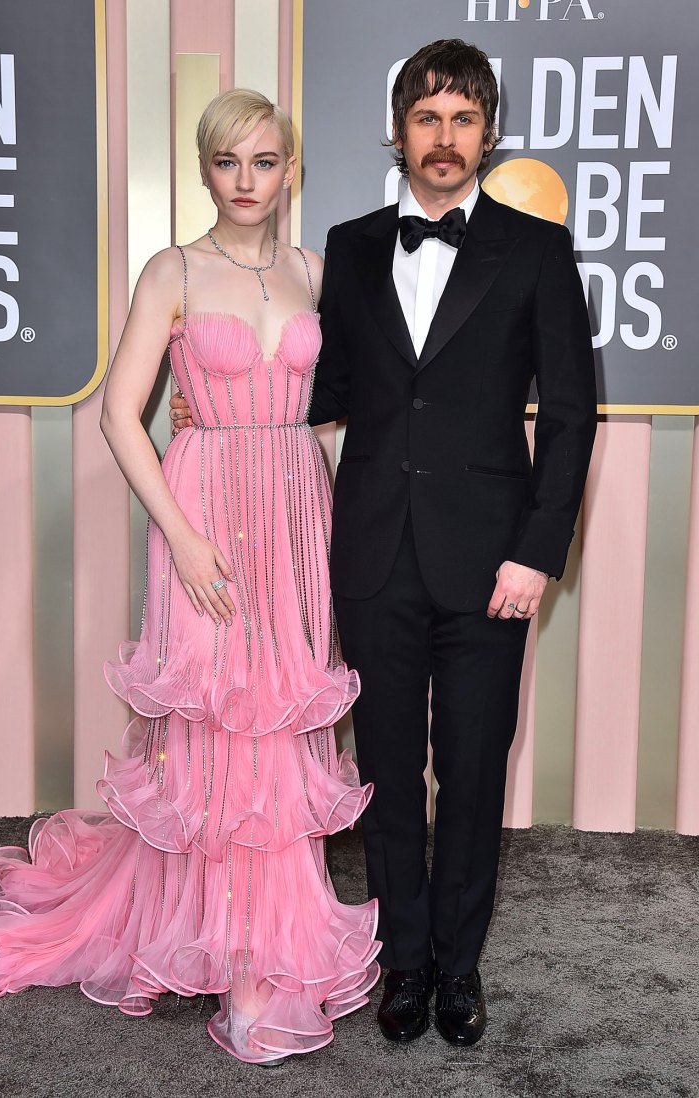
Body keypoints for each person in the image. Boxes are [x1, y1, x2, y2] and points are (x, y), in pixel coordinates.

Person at [171, 39, 596, 1048]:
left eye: (460, 119)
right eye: (424, 118)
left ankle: (458, 966)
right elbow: (331, 389)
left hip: (491, 560)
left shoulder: (535, 250)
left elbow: (571, 416)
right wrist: (219, 413)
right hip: (365, 554)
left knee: (475, 769)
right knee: (388, 772)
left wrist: (536, 552)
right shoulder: (350, 244)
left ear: (485, 134)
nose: (441, 138)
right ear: (398, 132)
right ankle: (402, 962)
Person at [0, 89, 379, 1066]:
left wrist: (313, 450)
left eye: (264, 162)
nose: (247, 181)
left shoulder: (315, 271)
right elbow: (114, 412)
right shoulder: (172, 270)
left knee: (278, 715)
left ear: (289, 169)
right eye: (228, 162)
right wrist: (180, 535)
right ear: (204, 170)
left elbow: (344, 402)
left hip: (292, 506)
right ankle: (240, 960)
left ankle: (268, 938)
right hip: (203, 511)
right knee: (219, 721)